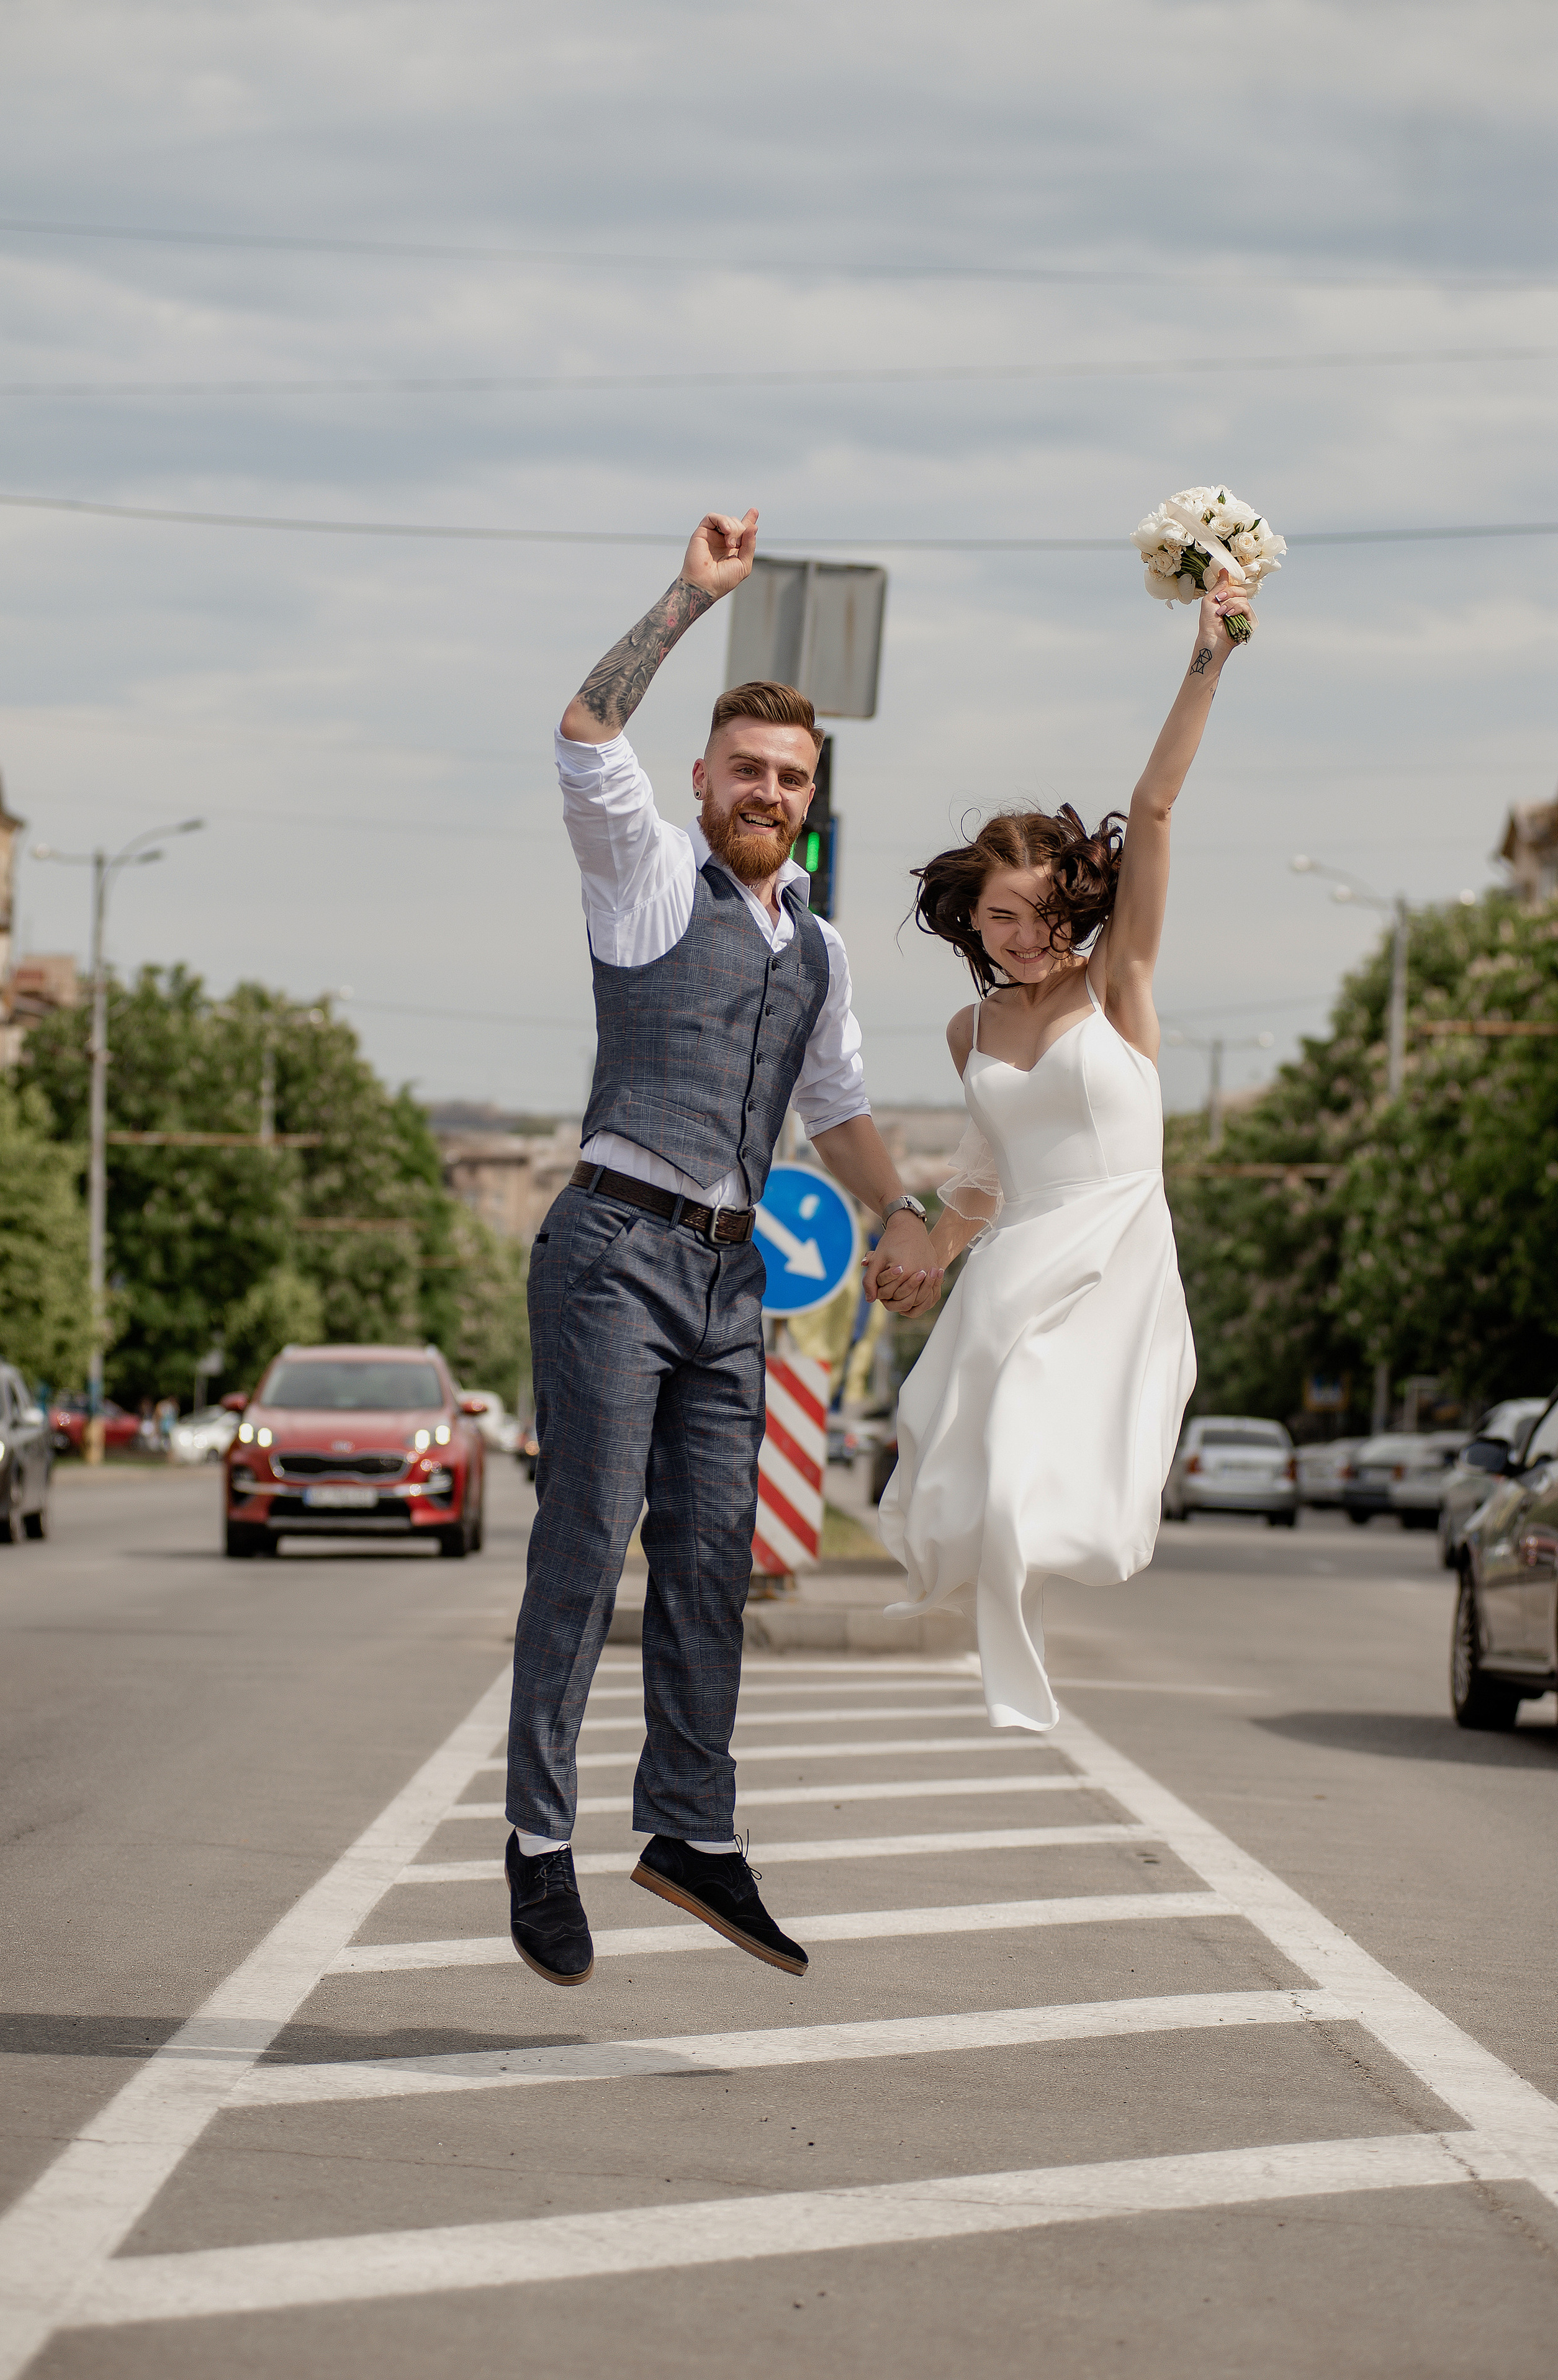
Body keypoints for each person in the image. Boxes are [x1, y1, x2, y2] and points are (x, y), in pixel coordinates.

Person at [505, 508, 935, 1988]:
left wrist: (906, 1214)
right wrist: (688, 600)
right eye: (746, 771)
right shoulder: (640, 874)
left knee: (706, 1558)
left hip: (728, 1273)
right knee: (586, 1542)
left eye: (791, 779)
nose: (768, 791)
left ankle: (689, 1827)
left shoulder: (816, 949)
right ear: (702, 781)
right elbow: (579, 727)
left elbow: (842, 1112)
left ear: (814, 802)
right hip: (614, 1245)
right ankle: (537, 1844)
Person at [871, 569, 1256, 1731]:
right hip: (1020, 1253)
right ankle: (1009, 1630)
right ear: (971, 920)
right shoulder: (970, 1030)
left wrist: (1212, 652)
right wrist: (924, 1257)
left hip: (1119, 1247)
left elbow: (1157, 805)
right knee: (989, 1438)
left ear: (1075, 911)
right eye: (999, 917)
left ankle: (1021, 1610)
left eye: (1042, 915)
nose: (1024, 938)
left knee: (1075, 1480)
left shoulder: (1119, 985)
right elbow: (980, 1184)